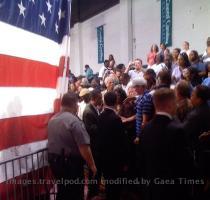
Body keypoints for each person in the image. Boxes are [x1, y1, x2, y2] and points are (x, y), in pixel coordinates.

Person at [139, 88, 193, 200]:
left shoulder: (145, 129)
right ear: (171, 104)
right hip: (173, 191)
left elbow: (141, 161)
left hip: (152, 189)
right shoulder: (178, 130)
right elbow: (185, 165)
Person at [48, 92, 97, 200]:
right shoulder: (74, 122)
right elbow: (84, 147)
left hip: (55, 162)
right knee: (74, 192)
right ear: (74, 104)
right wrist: (92, 166)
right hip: (70, 164)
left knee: (63, 189)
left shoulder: (52, 119)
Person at [98, 92, 129, 200]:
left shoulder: (100, 117)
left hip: (104, 157)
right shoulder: (116, 119)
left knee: (108, 184)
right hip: (116, 159)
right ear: (116, 102)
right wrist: (125, 161)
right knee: (115, 187)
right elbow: (122, 141)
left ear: (104, 101)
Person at [83, 89, 103, 199]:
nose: (101, 99)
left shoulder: (94, 109)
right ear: (94, 98)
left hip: (96, 146)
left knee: (96, 171)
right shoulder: (88, 111)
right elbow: (91, 129)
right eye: (100, 97)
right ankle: (92, 194)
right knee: (94, 171)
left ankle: (94, 192)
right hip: (93, 146)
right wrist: (103, 124)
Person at [132, 78, 154, 144]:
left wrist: (139, 136)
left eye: (136, 87)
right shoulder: (140, 97)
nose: (135, 89)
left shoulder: (146, 97)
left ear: (142, 86)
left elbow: (145, 121)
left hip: (143, 134)